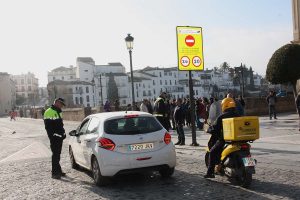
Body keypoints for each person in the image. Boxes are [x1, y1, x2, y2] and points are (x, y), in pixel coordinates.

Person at [204, 97, 240, 178]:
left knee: (212, 151)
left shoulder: (222, 117)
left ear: (224, 105)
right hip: (239, 140)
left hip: (225, 140)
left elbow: (215, 130)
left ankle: (210, 173)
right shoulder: (238, 115)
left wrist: (209, 129)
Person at [43, 98, 66, 179]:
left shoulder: (58, 111)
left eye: (62, 105)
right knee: (55, 155)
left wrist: (63, 133)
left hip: (59, 136)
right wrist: (54, 136)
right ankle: (54, 173)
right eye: (61, 104)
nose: (62, 106)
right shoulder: (49, 111)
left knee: (57, 154)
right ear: (56, 102)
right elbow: (48, 127)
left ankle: (58, 170)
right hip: (54, 138)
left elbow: (60, 125)